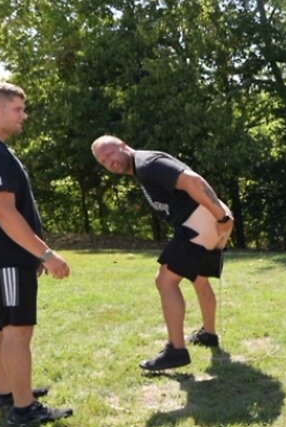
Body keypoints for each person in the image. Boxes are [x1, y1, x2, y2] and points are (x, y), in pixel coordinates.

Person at [0, 81, 74, 427]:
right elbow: (4, 213)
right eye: (18, 109)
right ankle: (23, 409)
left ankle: (6, 392)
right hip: (5, 258)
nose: (24, 116)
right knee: (16, 330)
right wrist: (46, 254)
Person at [91, 135, 234, 372]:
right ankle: (209, 334)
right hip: (207, 223)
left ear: (123, 145)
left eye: (110, 153)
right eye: (103, 161)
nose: (109, 161)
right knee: (199, 279)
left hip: (202, 222)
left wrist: (222, 217)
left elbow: (193, 181)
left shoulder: (147, 163)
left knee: (165, 281)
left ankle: (176, 350)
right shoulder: (142, 168)